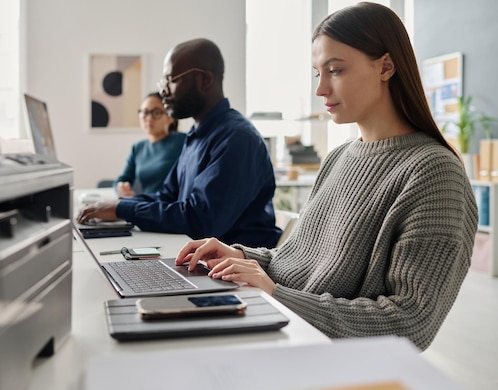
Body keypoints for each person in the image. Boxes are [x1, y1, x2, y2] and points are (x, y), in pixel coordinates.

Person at [175, 2, 478, 351]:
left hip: (334, 365)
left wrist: (275, 295)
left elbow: (409, 322)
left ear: (386, 66)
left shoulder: (434, 173)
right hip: (289, 336)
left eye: (335, 70)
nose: (321, 90)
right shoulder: (338, 158)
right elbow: (298, 263)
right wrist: (241, 257)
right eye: (318, 73)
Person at [77, 38, 281, 248]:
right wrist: (118, 204)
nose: (164, 90)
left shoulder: (237, 139)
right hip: (200, 257)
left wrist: (123, 209)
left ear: (204, 80)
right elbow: (167, 197)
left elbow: (200, 220)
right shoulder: (196, 134)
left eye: (171, 80)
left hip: (235, 269)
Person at [115, 92, 185, 197]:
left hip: (173, 206)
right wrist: (121, 187)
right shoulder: (138, 148)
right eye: (144, 112)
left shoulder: (184, 141)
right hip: (147, 205)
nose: (148, 118)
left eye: (156, 113)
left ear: (170, 117)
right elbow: (123, 179)